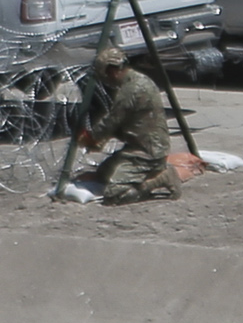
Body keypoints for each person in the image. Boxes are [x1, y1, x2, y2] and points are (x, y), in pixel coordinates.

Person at [68, 43, 175, 204]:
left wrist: (90, 138)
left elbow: (112, 121)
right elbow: (122, 123)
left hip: (146, 153)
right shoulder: (138, 80)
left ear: (111, 71)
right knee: (103, 173)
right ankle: (151, 172)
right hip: (139, 146)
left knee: (114, 194)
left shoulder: (131, 90)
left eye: (105, 75)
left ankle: (160, 178)